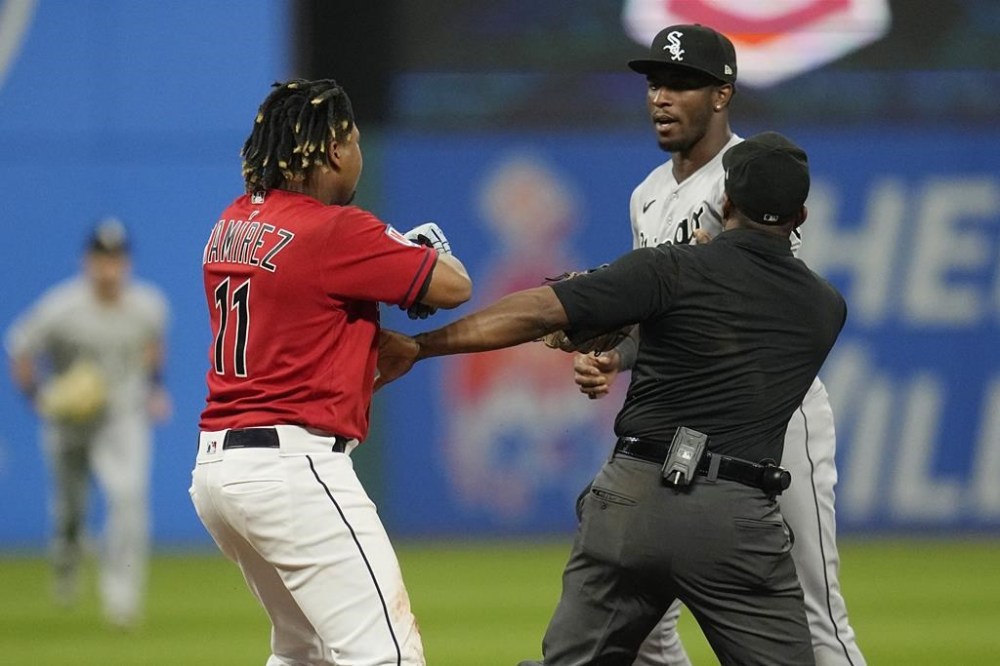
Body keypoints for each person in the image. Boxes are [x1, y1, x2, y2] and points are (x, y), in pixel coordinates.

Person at [377, 131, 845, 665]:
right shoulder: (824, 309)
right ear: (800, 216)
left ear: (725, 201)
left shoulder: (669, 270)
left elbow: (537, 311)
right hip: (734, 516)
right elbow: (727, 320)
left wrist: (419, 346)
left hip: (630, 501)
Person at [572, 24, 866, 666]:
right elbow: (669, 320)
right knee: (643, 623)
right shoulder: (647, 194)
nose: (662, 97)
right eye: (655, 83)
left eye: (681, 83)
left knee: (816, 614)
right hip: (675, 421)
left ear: (722, 94)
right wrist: (614, 354)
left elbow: (762, 313)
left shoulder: (753, 184)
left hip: (770, 418)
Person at [190, 78, 472, 666]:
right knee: (388, 655)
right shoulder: (338, 230)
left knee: (304, 651)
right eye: (356, 140)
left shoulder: (231, 222)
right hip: (292, 467)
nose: (360, 155)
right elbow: (454, 284)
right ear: (337, 149)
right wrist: (400, 246)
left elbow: (303, 307)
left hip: (219, 470)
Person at [5, 217, 170, 628]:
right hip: (69, 421)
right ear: (87, 260)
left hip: (121, 416)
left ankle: (122, 601)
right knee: (70, 513)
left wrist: (154, 388)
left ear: (127, 262)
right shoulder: (63, 307)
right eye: (101, 257)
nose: (109, 266)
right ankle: (66, 563)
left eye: (116, 257)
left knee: (128, 500)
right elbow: (18, 346)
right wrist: (38, 397)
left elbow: (153, 346)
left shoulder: (148, 305)